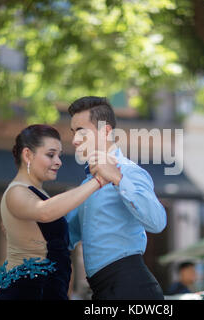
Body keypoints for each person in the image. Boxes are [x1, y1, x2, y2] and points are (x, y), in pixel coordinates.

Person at [0, 124, 109, 300]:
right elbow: (45, 212)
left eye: (59, 156)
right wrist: (98, 181)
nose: (59, 162)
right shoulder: (17, 191)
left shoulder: (38, 194)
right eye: (50, 154)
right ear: (28, 155)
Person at [66, 96, 167, 300]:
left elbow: (157, 222)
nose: (74, 140)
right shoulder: (87, 184)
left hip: (132, 289)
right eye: (73, 132)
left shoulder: (129, 172)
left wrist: (118, 178)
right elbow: (67, 235)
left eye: (81, 131)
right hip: (103, 290)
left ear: (105, 131)